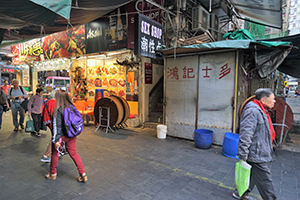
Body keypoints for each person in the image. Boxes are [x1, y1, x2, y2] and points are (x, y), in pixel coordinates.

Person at [232, 88, 277, 200]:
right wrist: (243, 155)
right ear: (263, 99)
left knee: (251, 174)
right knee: (265, 181)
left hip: (259, 150)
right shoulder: (252, 111)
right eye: (273, 99)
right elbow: (245, 134)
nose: (274, 101)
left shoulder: (262, 109)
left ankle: (240, 193)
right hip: (256, 153)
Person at [45, 90, 87, 182]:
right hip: (72, 134)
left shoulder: (58, 108)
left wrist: (55, 140)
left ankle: (53, 174)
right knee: (73, 153)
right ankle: (83, 174)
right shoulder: (72, 107)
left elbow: (56, 126)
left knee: (55, 154)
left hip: (61, 137)